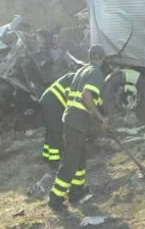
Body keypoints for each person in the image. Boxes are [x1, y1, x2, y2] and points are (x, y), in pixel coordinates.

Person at [48, 45, 109, 211]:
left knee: (80, 157)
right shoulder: (97, 73)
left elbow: (93, 100)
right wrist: (101, 119)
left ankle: (76, 192)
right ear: (102, 58)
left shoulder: (82, 71)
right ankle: (55, 198)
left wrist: (101, 115)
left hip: (72, 120)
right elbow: (86, 97)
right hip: (76, 122)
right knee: (70, 161)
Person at [39, 72, 75, 170]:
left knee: (50, 131)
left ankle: (46, 156)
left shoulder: (73, 77)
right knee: (55, 131)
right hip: (52, 102)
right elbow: (71, 100)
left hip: (49, 100)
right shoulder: (75, 79)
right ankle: (54, 162)